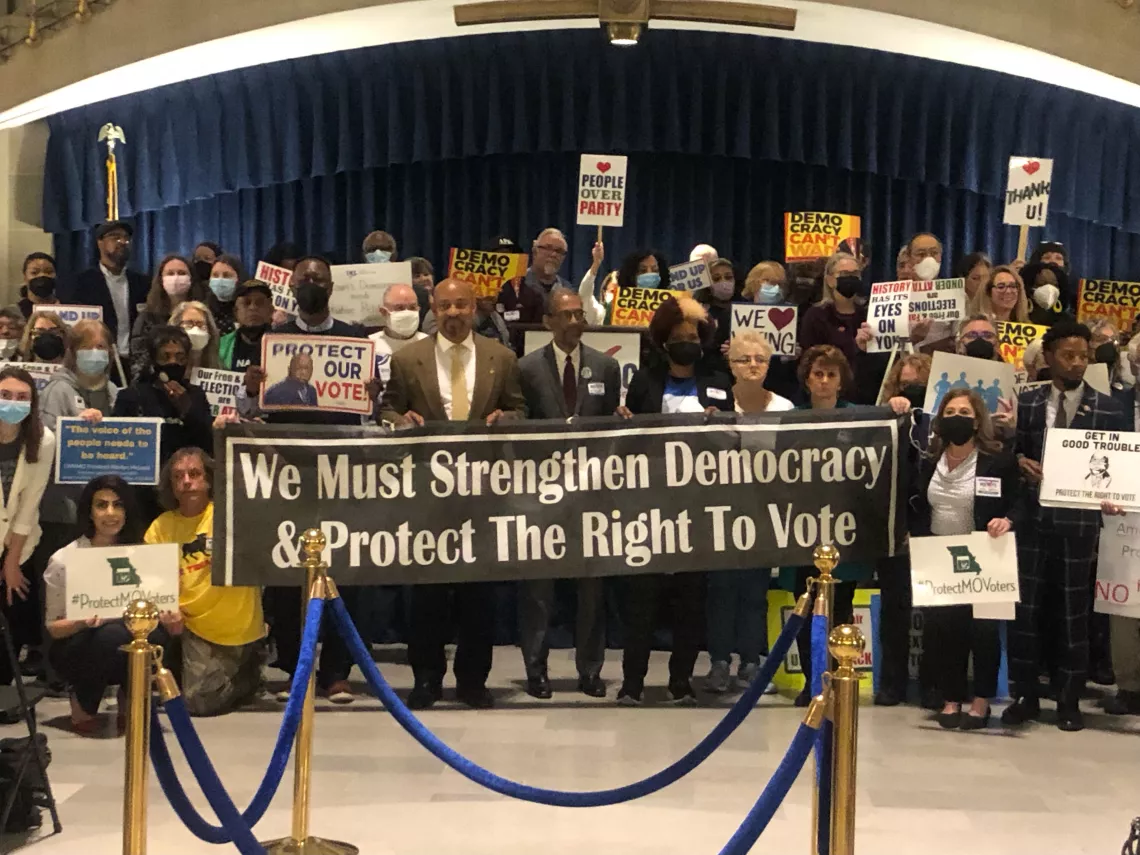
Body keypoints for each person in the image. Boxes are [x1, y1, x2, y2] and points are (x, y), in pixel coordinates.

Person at [380, 278, 526, 710]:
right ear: (433, 308)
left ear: (474, 308)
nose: (454, 313)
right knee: (426, 595)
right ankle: (425, 679)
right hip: (428, 496)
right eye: (445, 306)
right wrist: (398, 418)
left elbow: (521, 408)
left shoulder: (503, 357)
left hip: (484, 494)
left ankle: (473, 682)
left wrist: (508, 418)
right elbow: (386, 409)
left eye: (462, 305)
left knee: (478, 596)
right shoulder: (408, 360)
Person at [241, 256, 373, 705]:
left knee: (341, 571)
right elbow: (252, 411)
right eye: (304, 279)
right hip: (285, 471)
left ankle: (337, 671)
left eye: (319, 278)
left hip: (340, 472)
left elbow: (366, 414)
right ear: (292, 287)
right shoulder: (272, 339)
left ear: (331, 286)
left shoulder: (355, 339)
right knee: (284, 571)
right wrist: (249, 387)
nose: (311, 284)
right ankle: (295, 669)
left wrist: (372, 397)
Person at [1006, 321, 1125, 731]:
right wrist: (1019, 462)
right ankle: (1023, 693)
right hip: (1034, 519)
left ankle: (1069, 698)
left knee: (1073, 613)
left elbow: (1120, 466)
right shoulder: (1029, 401)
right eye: (1068, 355)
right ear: (1049, 357)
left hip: (1080, 523)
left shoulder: (1110, 407)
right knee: (1027, 609)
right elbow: (1013, 450)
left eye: (1083, 355)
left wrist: (1117, 496)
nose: (1077, 363)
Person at [617, 296, 732, 705]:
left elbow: (732, 439)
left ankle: (680, 681)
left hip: (697, 507)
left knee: (690, 599)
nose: (687, 342)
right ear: (664, 341)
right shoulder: (645, 381)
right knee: (642, 600)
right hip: (648, 506)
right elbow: (624, 441)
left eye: (693, 336)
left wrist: (723, 423)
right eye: (679, 336)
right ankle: (632, 683)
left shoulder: (718, 379)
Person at [515, 289, 620, 699]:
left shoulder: (606, 366)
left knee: (592, 589)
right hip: (541, 495)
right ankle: (536, 669)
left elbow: (611, 426)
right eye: (566, 315)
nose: (575, 321)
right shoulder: (526, 368)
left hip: (591, 495)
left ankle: (590, 670)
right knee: (538, 589)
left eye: (579, 314)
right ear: (548, 322)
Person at [910, 388, 1019, 729]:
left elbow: (1020, 502)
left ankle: (983, 701)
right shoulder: (929, 460)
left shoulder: (998, 459)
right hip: (940, 555)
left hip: (985, 554)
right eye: (951, 411)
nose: (958, 418)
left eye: (965, 412)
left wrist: (1007, 520)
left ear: (977, 421)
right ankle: (951, 697)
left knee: (983, 632)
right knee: (946, 631)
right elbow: (917, 503)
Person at [43, 476, 179, 732]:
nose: (110, 513)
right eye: (101, 505)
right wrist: (81, 621)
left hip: (126, 639)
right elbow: (53, 627)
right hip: (78, 646)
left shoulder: (143, 555)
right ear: (89, 512)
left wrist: (172, 622)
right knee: (111, 635)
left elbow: (160, 609)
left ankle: (132, 697)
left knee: (155, 634)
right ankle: (83, 700)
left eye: (118, 505)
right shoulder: (64, 560)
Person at [703, 331, 791, 696]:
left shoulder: (785, 409)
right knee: (721, 591)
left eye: (760, 359)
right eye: (744, 359)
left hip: (765, 515)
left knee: (755, 593)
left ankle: (752, 663)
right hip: (721, 514)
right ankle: (719, 663)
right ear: (731, 365)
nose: (753, 365)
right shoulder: (715, 408)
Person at [145, 448, 265, 716]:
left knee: (198, 701)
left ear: (209, 479)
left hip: (236, 624)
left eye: (195, 474)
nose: (187, 481)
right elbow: (151, 580)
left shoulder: (233, 513)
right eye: (178, 477)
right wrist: (166, 608)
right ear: (171, 486)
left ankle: (247, 669)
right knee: (196, 700)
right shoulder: (160, 527)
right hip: (188, 625)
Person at [788, 345, 868, 705]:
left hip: (845, 533)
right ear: (807, 379)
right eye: (817, 374)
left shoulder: (862, 419)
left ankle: (838, 679)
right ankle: (811, 682)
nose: (823, 381)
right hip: (801, 531)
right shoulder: (791, 419)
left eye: (831, 375)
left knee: (839, 611)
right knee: (805, 612)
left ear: (841, 381)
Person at [38, 319, 120, 585]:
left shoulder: (114, 393)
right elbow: (43, 446)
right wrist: (77, 429)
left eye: (101, 347)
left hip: (101, 515)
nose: (96, 353)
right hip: (63, 512)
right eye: (88, 347)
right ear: (73, 352)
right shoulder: (57, 390)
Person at [874, 354, 933, 707]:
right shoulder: (885, 417)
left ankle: (933, 683)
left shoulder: (944, 420)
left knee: (936, 609)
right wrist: (891, 412)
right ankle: (891, 682)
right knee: (895, 608)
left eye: (919, 385)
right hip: (895, 524)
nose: (911, 391)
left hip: (936, 523)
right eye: (905, 385)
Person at [0, 367, 55, 688]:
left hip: (18, 543)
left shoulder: (43, 440)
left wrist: (10, 562)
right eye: (5, 396)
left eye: (22, 397)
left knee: (13, 615)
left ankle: (5, 692)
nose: (13, 403)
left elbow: (29, 505)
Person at [112, 326, 213, 466]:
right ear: (153, 360)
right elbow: (118, 446)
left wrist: (188, 409)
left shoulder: (196, 395)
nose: (173, 362)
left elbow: (209, 444)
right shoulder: (131, 396)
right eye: (165, 357)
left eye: (180, 357)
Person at [58, 221, 150, 364]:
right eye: (115, 237)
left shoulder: (143, 283)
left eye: (126, 238)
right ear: (100, 242)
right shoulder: (81, 283)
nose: (122, 242)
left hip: (134, 361)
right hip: (97, 359)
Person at [131, 255, 204, 379]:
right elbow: (138, 362)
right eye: (170, 273)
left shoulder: (201, 314)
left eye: (182, 273)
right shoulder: (147, 318)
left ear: (192, 279)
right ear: (161, 280)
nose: (176, 277)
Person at [800, 252, 863, 365]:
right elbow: (810, 359)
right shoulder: (816, 315)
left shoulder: (868, 312)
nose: (851, 278)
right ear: (830, 280)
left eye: (855, 274)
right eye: (844, 274)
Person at [369, 283, 427, 389]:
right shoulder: (369, 346)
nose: (407, 312)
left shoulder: (430, 344)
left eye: (412, 307)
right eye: (399, 308)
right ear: (383, 312)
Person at [219, 281, 273, 372]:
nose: (253, 308)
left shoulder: (283, 343)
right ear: (236, 312)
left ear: (271, 310)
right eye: (246, 303)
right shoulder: (220, 346)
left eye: (259, 303)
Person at [493, 236, 545, 326]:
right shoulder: (476, 297)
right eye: (500, 258)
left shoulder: (534, 296)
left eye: (511, 257)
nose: (505, 262)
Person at [169, 300, 221, 371]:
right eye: (188, 324)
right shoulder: (167, 368)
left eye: (201, 325)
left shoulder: (219, 369)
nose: (195, 329)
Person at [1019, 261, 1072, 326]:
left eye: (1054, 285)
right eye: (1041, 284)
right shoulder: (1017, 317)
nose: (1049, 289)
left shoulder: (1068, 322)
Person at [205, 254, 244, 336]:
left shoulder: (247, 309)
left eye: (226, 276)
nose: (220, 280)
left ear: (238, 278)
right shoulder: (203, 310)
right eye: (215, 275)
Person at [527, 228, 573, 292]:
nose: (553, 254)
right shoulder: (515, 285)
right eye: (548, 248)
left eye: (559, 251)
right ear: (535, 251)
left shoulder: (567, 290)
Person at [19, 251, 59, 320]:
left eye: (49, 272)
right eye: (34, 273)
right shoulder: (17, 312)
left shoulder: (72, 308)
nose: (42, 275)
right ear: (25, 277)